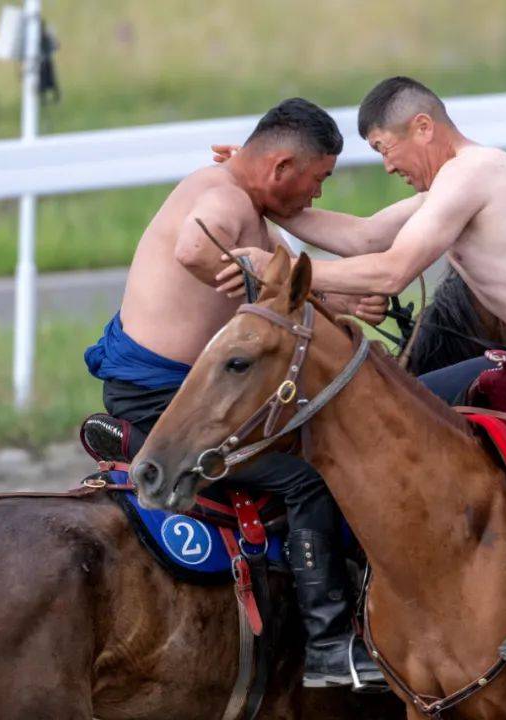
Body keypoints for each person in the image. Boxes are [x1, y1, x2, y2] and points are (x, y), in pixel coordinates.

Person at [215, 77, 506, 681]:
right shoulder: (452, 186)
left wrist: (278, 268)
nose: (388, 166)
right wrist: (268, 199)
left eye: (386, 149)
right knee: (411, 407)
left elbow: (390, 271)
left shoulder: (477, 173)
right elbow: (362, 236)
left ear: (423, 128)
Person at [83, 97, 389, 690]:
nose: (318, 195)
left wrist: (341, 302)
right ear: (280, 169)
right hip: (168, 402)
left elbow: (272, 294)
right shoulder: (224, 198)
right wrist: (251, 272)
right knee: (309, 477)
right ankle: (329, 643)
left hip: (185, 391)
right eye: (318, 179)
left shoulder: (233, 192)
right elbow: (196, 249)